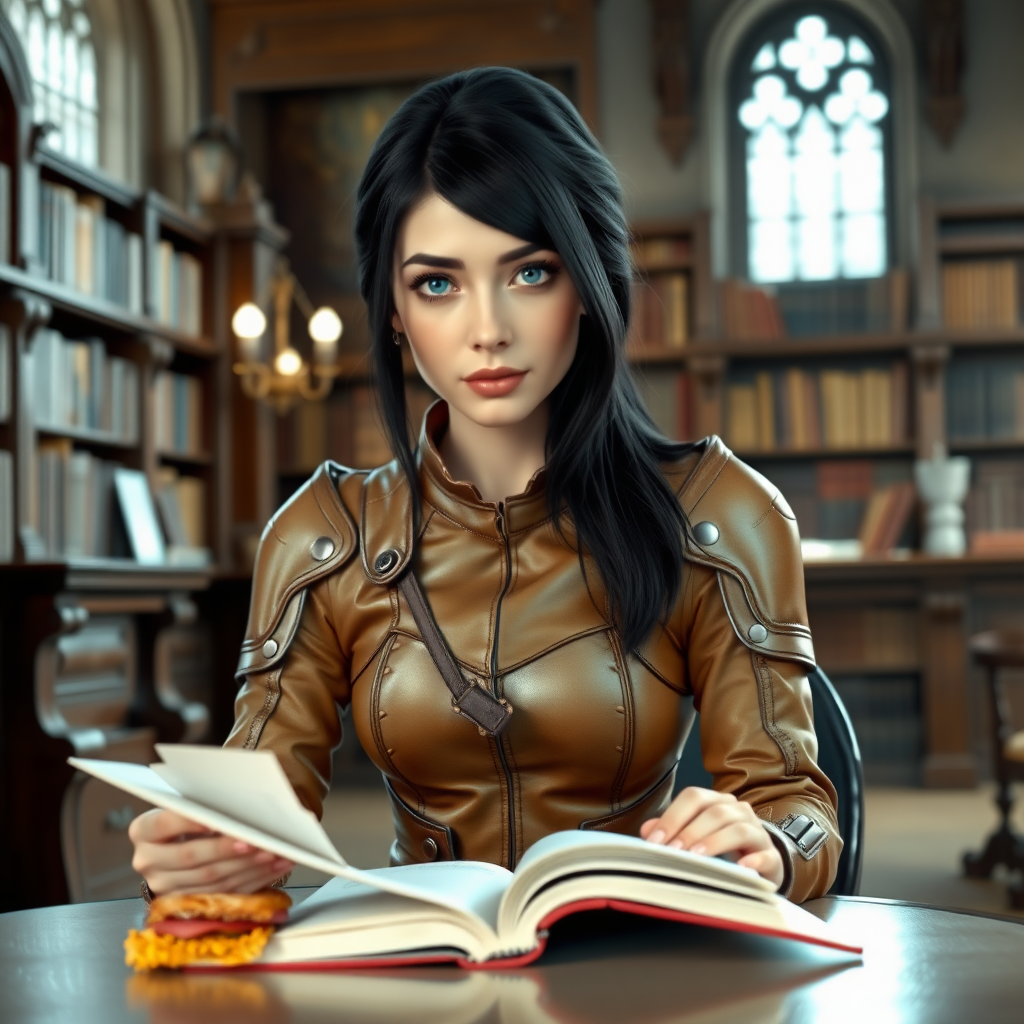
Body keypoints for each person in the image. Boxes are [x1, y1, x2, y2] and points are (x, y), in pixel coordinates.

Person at [130, 67, 840, 903]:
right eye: (438, 284)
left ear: (587, 280)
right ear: (393, 309)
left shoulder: (722, 516)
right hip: (422, 963)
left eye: (530, 273)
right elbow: (256, 798)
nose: (489, 330)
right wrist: (203, 852)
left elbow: (798, 809)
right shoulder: (320, 537)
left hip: (641, 965)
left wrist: (769, 845)